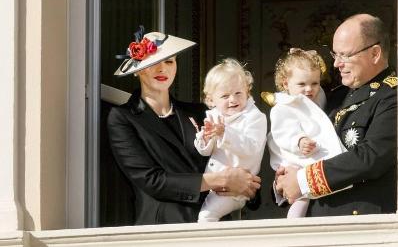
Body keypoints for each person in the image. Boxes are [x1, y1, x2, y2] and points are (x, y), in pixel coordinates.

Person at [107, 28, 261, 225]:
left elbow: (235, 158)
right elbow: (152, 181)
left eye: (169, 61)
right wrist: (222, 180)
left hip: (216, 227)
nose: (162, 69)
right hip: (163, 228)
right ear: (137, 70)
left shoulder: (201, 112)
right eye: (153, 63)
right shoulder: (123, 118)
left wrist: (248, 187)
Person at [276, 13, 398, 216]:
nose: (336, 64)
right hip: (316, 222)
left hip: (361, 225)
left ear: (375, 53)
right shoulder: (333, 97)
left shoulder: (393, 96)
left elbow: (372, 157)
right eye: (335, 55)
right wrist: (285, 179)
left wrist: (302, 180)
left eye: (345, 55)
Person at [267, 48, 345, 218]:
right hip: (295, 158)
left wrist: (310, 59)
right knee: (301, 196)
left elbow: (323, 96)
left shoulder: (321, 98)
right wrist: (299, 140)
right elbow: (284, 131)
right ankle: (293, 225)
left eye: (315, 83)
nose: (309, 89)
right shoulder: (282, 107)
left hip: (314, 161)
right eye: (302, 84)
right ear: (286, 84)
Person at [194, 58, 267, 222]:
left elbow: (251, 148)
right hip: (214, 183)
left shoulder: (255, 117)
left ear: (247, 91)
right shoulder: (215, 116)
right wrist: (204, 139)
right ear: (211, 100)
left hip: (236, 190)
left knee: (206, 216)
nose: (233, 99)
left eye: (238, 93)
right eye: (225, 96)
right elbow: (205, 151)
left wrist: (224, 133)